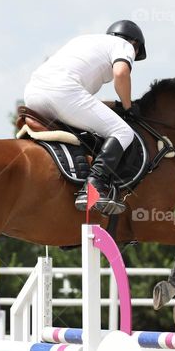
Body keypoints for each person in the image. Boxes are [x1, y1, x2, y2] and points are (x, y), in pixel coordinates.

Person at [23, 20, 147, 215]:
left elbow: (81, 100)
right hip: (63, 93)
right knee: (122, 131)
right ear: (135, 44)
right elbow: (121, 73)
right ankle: (93, 186)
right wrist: (128, 106)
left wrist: (114, 105)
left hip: (34, 95)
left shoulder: (84, 41)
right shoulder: (125, 45)